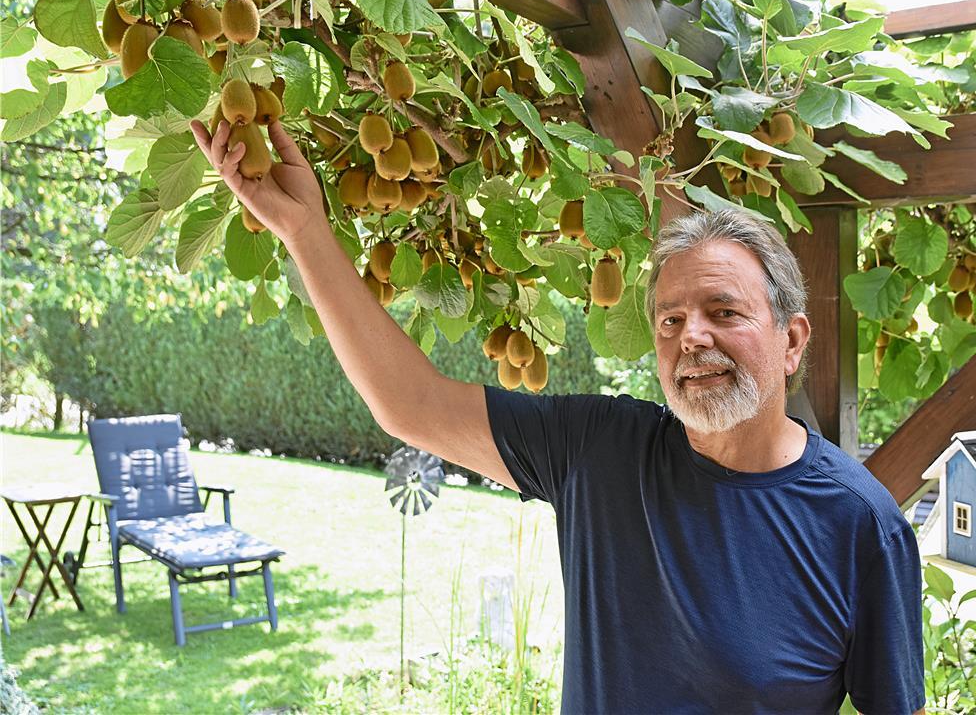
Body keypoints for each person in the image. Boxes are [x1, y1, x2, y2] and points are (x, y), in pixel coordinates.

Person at [190, 119, 926, 714]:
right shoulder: (599, 451)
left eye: (723, 311)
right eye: (669, 320)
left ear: (791, 340)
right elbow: (409, 405)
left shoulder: (859, 522)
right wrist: (303, 231)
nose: (690, 336)